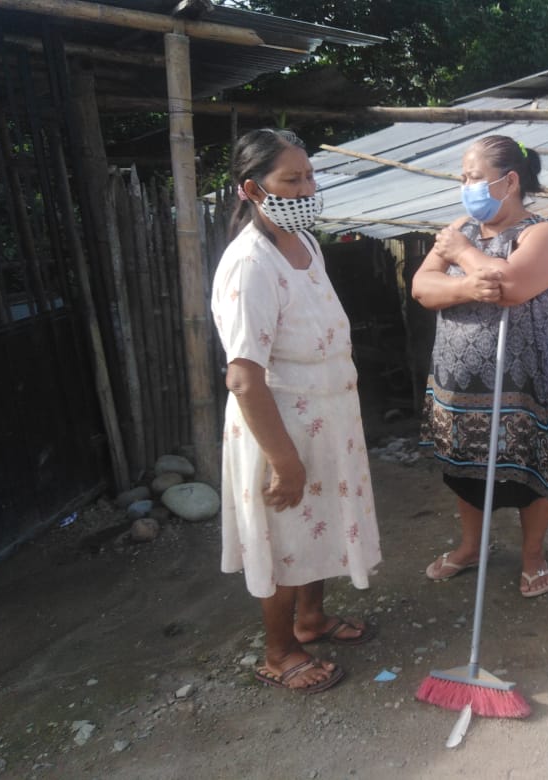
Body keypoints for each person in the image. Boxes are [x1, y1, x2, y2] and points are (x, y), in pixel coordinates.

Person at [211, 129, 381, 693]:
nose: (306, 188)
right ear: (251, 189)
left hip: (326, 418)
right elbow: (243, 377)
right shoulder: (249, 264)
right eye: (291, 179)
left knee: (319, 523)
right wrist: (284, 462)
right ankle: (278, 651)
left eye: (309, 176)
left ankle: (311, 620)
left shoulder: (305, 242)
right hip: (279, 423)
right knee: (284, 536)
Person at [412, 135, 548, 598]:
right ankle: (471, 547)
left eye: (475, 178)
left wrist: (463, 255)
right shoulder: (461, 227)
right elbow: (422, 287)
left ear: (510, 181)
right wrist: (466, 288)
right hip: (460, 384)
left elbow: (512, 286)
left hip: (524, 383)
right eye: (464, 178)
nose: (467, 187)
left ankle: (533, 555)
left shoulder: (543, 235)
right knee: (463, 470)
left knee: (530, 470)